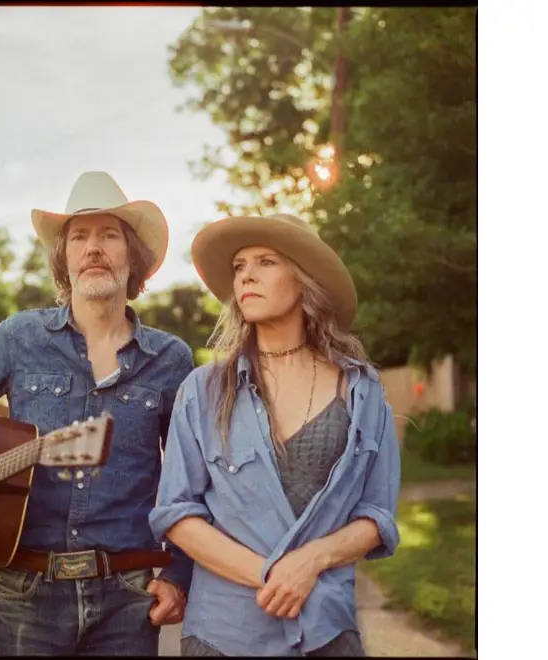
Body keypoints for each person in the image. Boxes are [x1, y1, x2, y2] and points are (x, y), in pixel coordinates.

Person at [0, 171, 196, 656]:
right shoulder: (18, 339)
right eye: (79, 237)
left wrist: (180, 572)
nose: (93, 247)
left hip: (127, 597)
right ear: (64, 258)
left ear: (134, 257)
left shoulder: (171, 360)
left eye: (109, 235)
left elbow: (191, 478)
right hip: (24, 595)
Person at [148, 213, 401, 657]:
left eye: (265, 262)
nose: (246, 275)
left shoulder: (361, 390)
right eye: (240, 266)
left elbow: (376, 515)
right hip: (225, 635)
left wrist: (312, 561)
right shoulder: (203, 390)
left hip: (327, 630)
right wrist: (271, 575)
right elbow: (177, 514)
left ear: (304, 281)